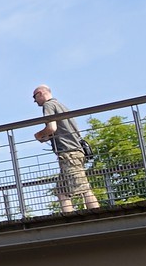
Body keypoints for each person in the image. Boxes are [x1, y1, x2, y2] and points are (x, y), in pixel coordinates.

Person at [31, 84, 100, 212]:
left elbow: (52, 127)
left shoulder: (49, 105)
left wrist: (39, 135)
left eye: (34, 97)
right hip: (73, 151)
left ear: (40, 93)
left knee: (84, 188)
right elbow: (61, 130)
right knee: (61, 191)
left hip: (69, 153)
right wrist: (47, 137)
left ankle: (99, 217)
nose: (35, 101)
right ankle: (68, 218)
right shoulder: (62, 106)